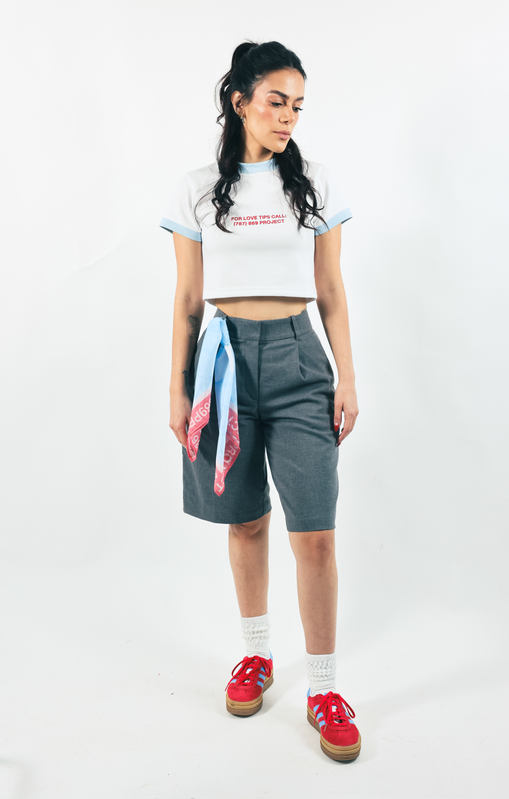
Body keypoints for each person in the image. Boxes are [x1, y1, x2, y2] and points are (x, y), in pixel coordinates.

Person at [160, 40, 361, 762]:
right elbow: (188, 297)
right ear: (239, 100)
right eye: (276, 102)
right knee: (244, 521)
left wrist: (346, 376)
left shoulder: (313, 182)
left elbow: (331, 289)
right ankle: (256, 655)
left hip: (299, 358)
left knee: (315, 533)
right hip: (221, 362)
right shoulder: (196, 189)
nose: (288, 118)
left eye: (297, 106)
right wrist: (178, 385)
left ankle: (325, 689)